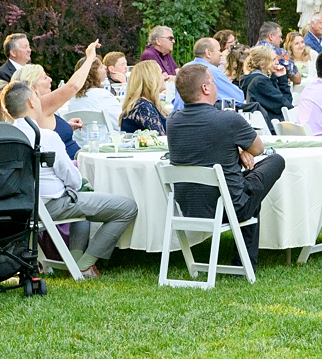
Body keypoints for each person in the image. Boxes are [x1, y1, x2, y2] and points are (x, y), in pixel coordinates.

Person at [0, 81, 137, 277]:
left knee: (80, 201)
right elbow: (72, 180)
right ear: (31, 102)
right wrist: (75, 185)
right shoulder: (45, 136)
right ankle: (85, 264)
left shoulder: (5, 136)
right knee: (127, 208)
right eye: (37, 97)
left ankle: (73, 261)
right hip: (50, 206)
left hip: (18, 208)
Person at [166, 63, 285, 269]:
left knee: (247, 186)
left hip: (189, 207)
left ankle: (245, 260)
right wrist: (243, 150)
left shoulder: (172, 121)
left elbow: (204, 148)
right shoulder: (228, 119)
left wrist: (238, 151)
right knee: (275, 161)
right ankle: (244, 262)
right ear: (205, 88)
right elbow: (258, 149)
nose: (215, 87)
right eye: (213, 82)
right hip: (229, 207)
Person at [14, 62, 84, 159]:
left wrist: (65, 126)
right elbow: (73, 86)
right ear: (33, 87)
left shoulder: (34, 109)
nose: (50, 80)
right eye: (45, 78)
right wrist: (90, 57)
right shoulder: (38, 105)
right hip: (72, 165)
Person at [239, 45, 295, 126]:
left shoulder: (256, 79)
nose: (277, 62)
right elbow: (285, 106)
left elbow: (285, 104)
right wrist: (283, 81)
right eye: (273, 60)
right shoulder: (260, 83)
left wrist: (281, 77)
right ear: (262, 64)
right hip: (273, 128)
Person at [117, 60, 170, 135]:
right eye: (160, 74)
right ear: (151, 79)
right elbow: (160, 138)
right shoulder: (143, 108)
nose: (165, 77)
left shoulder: (143, 103)